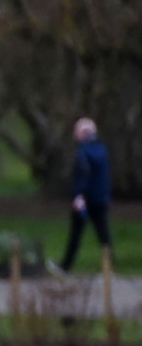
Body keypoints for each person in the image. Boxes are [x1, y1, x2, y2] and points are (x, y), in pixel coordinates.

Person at [59, 117, 113, 273]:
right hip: (101, 198)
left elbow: (84, 176)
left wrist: (79, 196)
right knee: (103, 234)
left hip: (85, 199)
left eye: (76, 131)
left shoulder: (83, 152)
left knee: (76, 233)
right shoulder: (102, 149)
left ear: (83, 133)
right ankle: (109, 266)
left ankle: (66, 266)